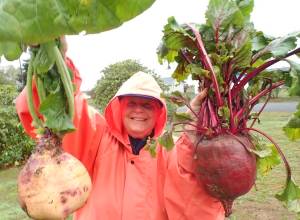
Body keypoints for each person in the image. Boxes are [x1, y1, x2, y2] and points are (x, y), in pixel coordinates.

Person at [15, 42, 225, 220]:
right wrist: (55, 61)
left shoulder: (174, 150)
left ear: (159, 111)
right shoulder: (97, 135)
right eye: (131, 103)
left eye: (147, 105)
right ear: (120, 107)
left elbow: (196, 209)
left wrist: (193, 137)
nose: (138, 111)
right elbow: (60, 112)